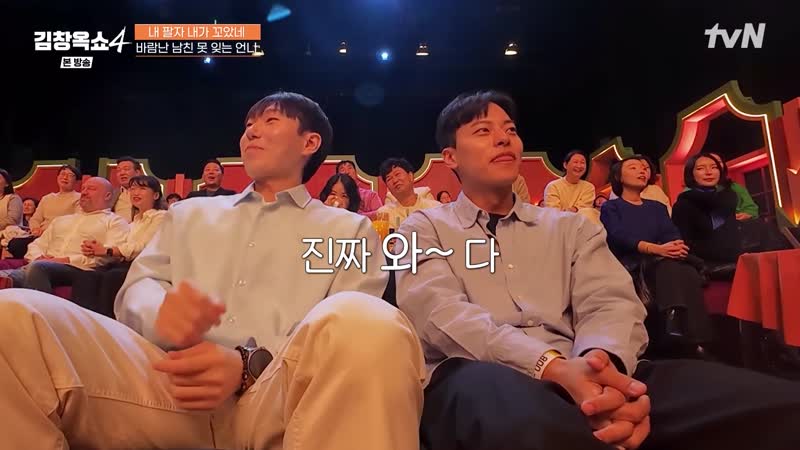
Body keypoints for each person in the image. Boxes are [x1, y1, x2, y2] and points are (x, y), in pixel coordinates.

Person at [0, 92, 425, 449]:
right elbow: (138, 288)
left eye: (270, 121)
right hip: (168, 385)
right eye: (248, 125)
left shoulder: (348, 230)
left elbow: (346, 342)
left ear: (310, 142)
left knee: (370, 322)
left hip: (279, 399)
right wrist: (162, 315)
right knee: (13, 314)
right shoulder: (189, 214)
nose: (251, 131)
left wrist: (248, 364)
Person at [395, 91, 800, 450]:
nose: (504, 139)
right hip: (483, 373)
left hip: (595, 366)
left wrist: (601, 367)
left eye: (511, 130)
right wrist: (551, 366)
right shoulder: (423, 228)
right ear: (450, 157)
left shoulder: (570, 227)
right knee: (522, 422)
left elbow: (611, 301)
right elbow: (438, 313)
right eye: (483, 131)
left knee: (776, 409)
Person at [600, 156, 711, 356]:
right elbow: (619, 237)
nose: (642, 171)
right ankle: (677, 324)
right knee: (669, 266)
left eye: (644, 168)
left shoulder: (657, 207)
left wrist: (676, 246)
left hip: (663, 258)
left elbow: (671, 233)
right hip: (633, 262)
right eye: (633, 168)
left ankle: (694, 336)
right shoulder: (611, 207)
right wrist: (656, 249)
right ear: (619, 177)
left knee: (686, 270)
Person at [1, 177, 130, 293]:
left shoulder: (115, 221)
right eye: (83, 188)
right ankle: (11, 282)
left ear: (107, 195)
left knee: (38, 268)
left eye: (91, 189)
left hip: (79, 269)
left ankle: (41, 309)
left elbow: (110, 256)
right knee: (20, 272)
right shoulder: (62, 220)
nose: (84, 192)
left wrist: (66, 260)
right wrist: (38, 257)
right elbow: (37, 244)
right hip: (42, 264)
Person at [672, 153, 743, 263]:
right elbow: (684, 243)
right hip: (702, 264)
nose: (709, 172)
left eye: (714, 167)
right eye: (701, 168)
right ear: (691, 173)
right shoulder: (683, 204)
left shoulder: (729, 198)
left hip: (736, 258)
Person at [80, 175, 167, 262]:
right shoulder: (133, 223)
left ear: (156, 195)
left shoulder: (161, 216)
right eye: (132, 189)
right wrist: (96, 247)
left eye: (142, 189)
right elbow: (122, 245)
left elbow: (146, 246)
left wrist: (108, 251)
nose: (136, 193)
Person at [7, 164, 82, 258]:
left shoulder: (79, 198)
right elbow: (35, 219)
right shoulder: (47, 198)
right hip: (40, 236)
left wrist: (47, 231)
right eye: (62, 174)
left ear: (76, 181)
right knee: (14, 244)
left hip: (59, 236)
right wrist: (35, 228)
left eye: (70, 175)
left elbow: (75, 220)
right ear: (57, 177)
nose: (65, 177)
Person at [377, 157, 441, 228]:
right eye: (389, 179)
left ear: (410, 176)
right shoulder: (384, 213)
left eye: (397, 174)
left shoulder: (434, 208)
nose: (395, 180)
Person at [112, 156, 143, 223]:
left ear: (137, 172)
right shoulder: (112, 194)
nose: (122, 173)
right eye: (119, 170)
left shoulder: (148, 192)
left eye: (126, 169)